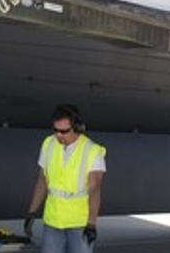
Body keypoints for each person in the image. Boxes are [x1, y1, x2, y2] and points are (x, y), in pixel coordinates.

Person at [23, 104, 107, 252]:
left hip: (79, 224)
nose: (58, 135)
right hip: (53, 222)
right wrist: (32, 212)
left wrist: (91, 224)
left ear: (77, 128)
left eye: (64, 131)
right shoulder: (48, 144)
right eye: (55, 130)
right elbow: (42, 180)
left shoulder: (92, 151)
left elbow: (95, 190)